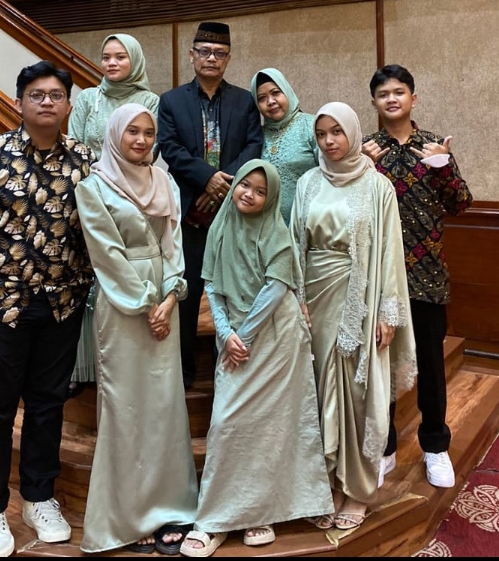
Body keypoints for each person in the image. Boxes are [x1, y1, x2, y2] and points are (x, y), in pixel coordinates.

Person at [0, 60, 95, 558]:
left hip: (63, 305)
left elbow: (101, 229)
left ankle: (39, 497)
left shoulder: (84, 161)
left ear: (68, 105)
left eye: (56, 95)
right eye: (37, 94)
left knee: (48, 406)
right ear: (19, 102)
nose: (47, 101)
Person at [179, 159, 333, 557]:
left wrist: (242, 337)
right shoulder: (220, 226)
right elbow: (212, 286)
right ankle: (214, 519)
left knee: (271, 427)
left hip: (276, 338)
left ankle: (261, 511)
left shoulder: (276, 232)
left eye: (261, 191)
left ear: (272, 198)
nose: (249, 194)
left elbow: (276, 288)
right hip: (236, 336)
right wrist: (227, 334)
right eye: (245, 185)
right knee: (227, 423)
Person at [74, 103, 198, 555]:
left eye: (148, 132)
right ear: (114, 135)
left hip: (165, 298)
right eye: (132, 132)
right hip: (122, 302)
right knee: (126, 407)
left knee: (165, 405)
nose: (142, 140)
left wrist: (170, 296)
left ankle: (171, 505)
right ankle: (129, 514)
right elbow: (106, 254)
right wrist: (147, 304)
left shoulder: (163, 181)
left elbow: (173, 244)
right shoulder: (92, 187)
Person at [290, 101, 417, 532]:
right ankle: (326, 484)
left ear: (353, 132)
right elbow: (295, 242)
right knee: (317, 390)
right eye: (321, 134)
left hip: (360, 297)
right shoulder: (308, 182)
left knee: (360, 394)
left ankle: (359, 490)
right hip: (313, 297)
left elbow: (391, 251)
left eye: (337, 132)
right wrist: (296, 299)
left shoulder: (377, 186)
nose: (329, 141)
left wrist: (387, 312)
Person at [362, 64, 473, 490]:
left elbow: (460, 203)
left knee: (430, 364)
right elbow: (351, 209)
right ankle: (385, 447)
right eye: (383, 94)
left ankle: (435, 447)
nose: (391, 99)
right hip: (379, 277)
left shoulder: (433, 145)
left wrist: (442, 166)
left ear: (413, 98)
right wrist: (362, 169)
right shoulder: (366, 149)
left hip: (427, 275)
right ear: (374, 102)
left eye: (399, 92)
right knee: (382, 367)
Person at [157, 21, 263, 390]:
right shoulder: (171, 101)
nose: (211, 58)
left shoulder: (244, 101)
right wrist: (206, 178)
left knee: (233, 296)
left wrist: (222, 184)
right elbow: (170, 148)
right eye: (204, 51)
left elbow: (253, 146)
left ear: (228, 59)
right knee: (186, 297)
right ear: (192, 55)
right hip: (189, 214)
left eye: (219, 53)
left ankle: (229, 375)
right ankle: (184, 373)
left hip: (232, 215)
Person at [67, 32, 160, 397]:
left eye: (120, 56)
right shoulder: (88, 97)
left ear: (134, 59)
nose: (112, 63)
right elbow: (74, 147)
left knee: (117, 270)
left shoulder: (149, 100)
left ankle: (121, 363)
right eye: (106, 57)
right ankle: (82, 366)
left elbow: (148, 149)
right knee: (86, 276)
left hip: (131, 198)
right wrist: (93, 187)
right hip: (91, 192)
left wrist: (122, 188)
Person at [250, 67, 318, 224]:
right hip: (267, 227)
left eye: (276, 93)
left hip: (307, 222)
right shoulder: (257, 135)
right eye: (262, 98)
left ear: (287, 91)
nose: (270, 101)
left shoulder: (312, 126)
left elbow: (330, 172)